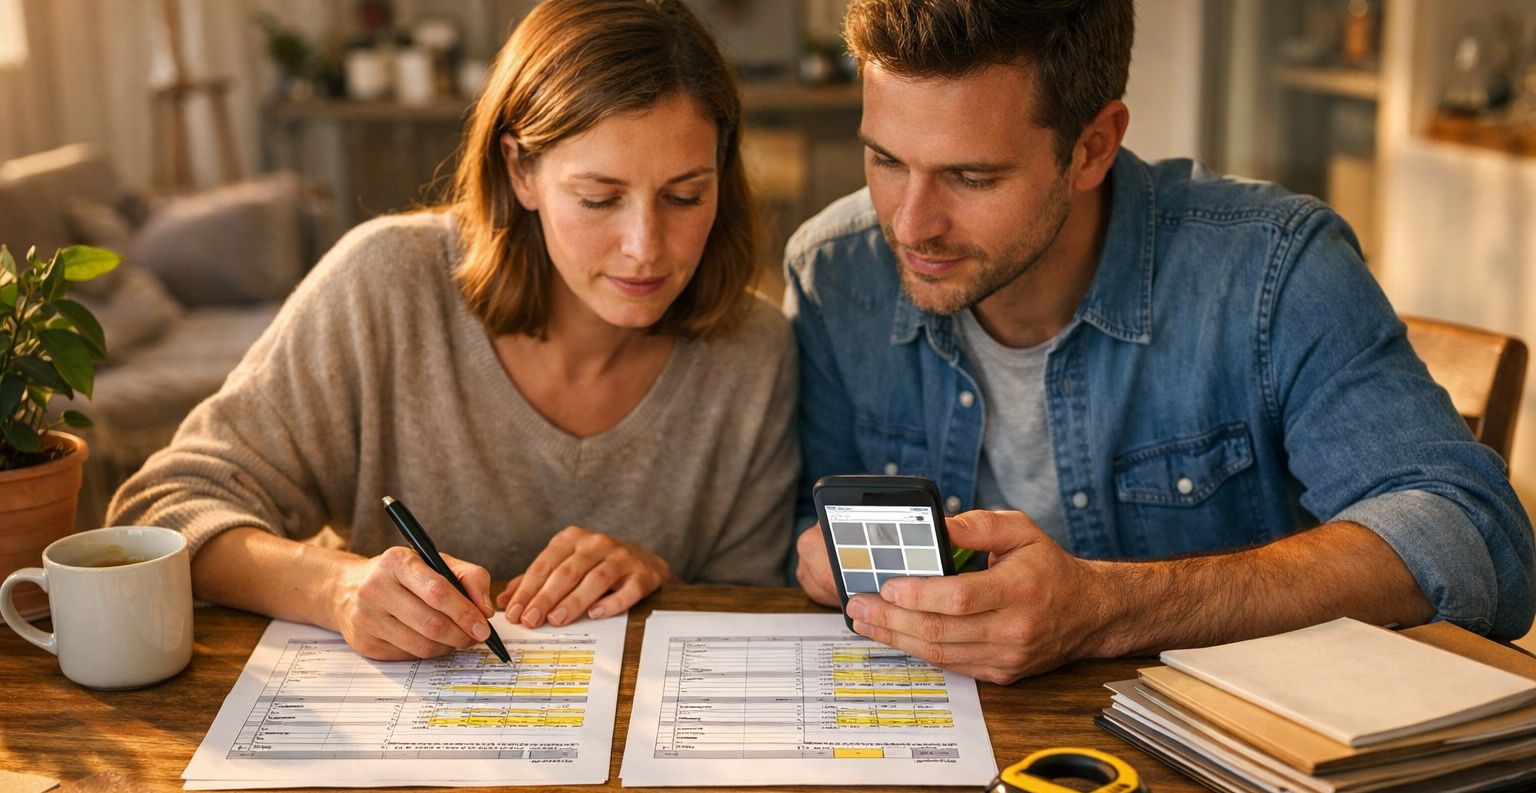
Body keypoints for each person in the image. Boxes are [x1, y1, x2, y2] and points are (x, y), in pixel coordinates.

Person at [788, 0, 1534, 683]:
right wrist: (817, 561)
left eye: (972, 176)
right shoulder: (835, 274)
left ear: (1093, 146)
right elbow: (802, 530)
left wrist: (1107, 607)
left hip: (1234, 771)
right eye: (885, 159)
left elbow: (1475, 538)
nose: (911, 225)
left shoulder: (1274, 268)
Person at [109, 0, 796, 660]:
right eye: (599, 198)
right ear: (520, 169)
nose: (646, 246)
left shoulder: (754, 352)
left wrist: (660, 577)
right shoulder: (386, 286)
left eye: (685, 196)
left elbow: (759, 616)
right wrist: (337, 588)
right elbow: (159, 513)